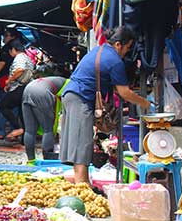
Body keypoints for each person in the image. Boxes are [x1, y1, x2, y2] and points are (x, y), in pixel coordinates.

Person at [60, 26, 153, 184]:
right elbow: (124, 92)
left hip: (71, 95)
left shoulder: (99, 50)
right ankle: (83, 188)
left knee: (76, 143)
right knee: (82, 145)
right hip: (80, 98)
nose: (126, 52)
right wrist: (144, 103)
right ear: (118, 44)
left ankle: (82, 184)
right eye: (127, 48)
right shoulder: (115, 61)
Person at [21, 76, 68, 162]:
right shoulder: (70, 85)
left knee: (29, 130)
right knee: (48, 129)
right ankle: (48, 161)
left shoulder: (58, 80)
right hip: (42, 93)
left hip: (28, 89)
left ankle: (31, 161)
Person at [0, 40, 35, 140]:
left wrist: (9, 80)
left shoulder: (19, 57)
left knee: (3, 106)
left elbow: (20, 69)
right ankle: (24, 140)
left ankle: (18, 128)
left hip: (20, 88)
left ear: (14, 50)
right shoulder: (27, 57)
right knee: (23, 113)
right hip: (26, 88)